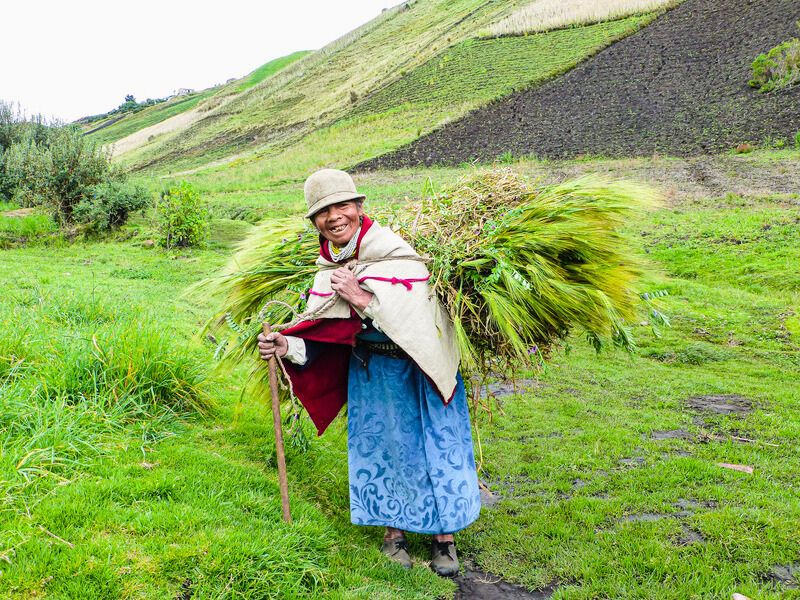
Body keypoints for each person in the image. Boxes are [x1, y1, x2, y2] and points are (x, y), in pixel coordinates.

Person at [257, 168, 480, 576]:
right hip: (372, 372)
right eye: (322, 212)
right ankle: (393, 533)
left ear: (360, 207)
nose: (334, 217)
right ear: (315, 223)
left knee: (434, 447)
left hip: (422, 371)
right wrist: (285, 345)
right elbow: (324, 333)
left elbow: (419, 318)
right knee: (385, 450)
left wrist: (359, 296)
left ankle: (443, 539)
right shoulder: (327, 270)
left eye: (342, 205)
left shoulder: (396, 253)